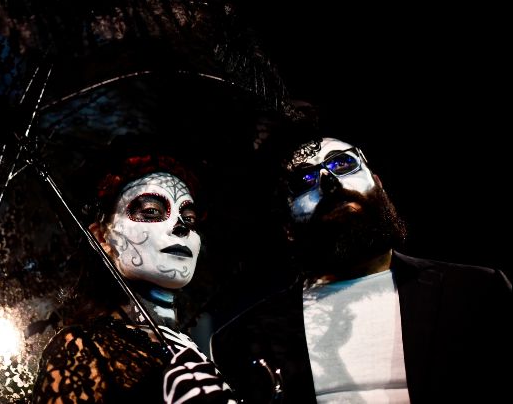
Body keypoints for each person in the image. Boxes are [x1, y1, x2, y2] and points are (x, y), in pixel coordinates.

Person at [210, 136, 513, 403]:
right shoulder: (240, 341)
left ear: (378, 183)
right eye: (304, 180)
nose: (329, 181)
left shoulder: (475, 293)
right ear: (287, 227)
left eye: (343, 163)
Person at [32, 150, 235, 403]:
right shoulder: (82, 347)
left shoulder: (209, 348)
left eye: (189, 218)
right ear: (102, 237)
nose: (181, 226)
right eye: (151, 211)